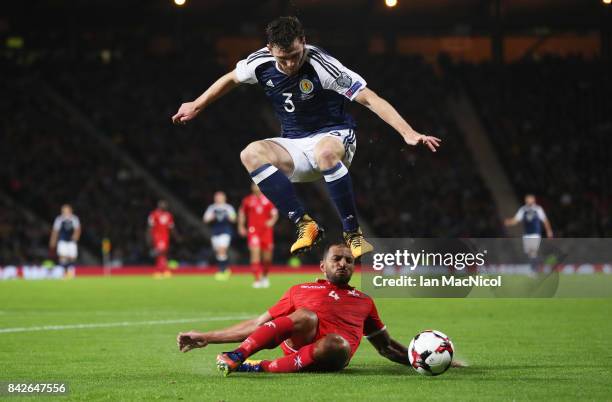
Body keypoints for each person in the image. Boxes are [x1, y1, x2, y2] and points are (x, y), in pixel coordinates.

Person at [172, 16, 440, 259]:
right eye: (282, 58)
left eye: (294, 55)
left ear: (303, 41)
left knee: (324, 151)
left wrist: (408, 132)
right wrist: (198, 104)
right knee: (249, 153)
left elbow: (369, 98)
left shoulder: (323, 65)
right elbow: (231, 78)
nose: (289, 64)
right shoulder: (259, 62)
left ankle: (353, 233)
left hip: (335, 136)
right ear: (269, 49)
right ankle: (305, 224)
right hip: (295, 145)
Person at [177, 243, 414, 375]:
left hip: (333, 355)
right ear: (323, 266)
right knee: (305, 316)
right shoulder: (300, 289)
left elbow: (386, 347)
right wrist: (207, 337)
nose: (343, 263)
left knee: (337, 343)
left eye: (349, 261)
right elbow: (259, 324)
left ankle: (259, 367)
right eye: (336, 259)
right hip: (297, 346)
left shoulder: (364, 300)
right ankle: (238, 356)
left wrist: (419, 359)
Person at [238, 183, 278, 288]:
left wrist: (271, 221)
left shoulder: (268, 199)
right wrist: (241, 226)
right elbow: (242, 213)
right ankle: (257, 279)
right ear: (252, 187)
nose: (256, 187)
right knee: (255, 254)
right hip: (253, 231)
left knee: (267, 258)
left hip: (266, 231)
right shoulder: (248, 200)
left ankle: (264, 276)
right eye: (254, 185)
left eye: (258, 185)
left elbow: (274, 214)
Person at [505, 194, 553, 268]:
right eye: (528, 199)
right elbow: (516, 220)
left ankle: (535, 269)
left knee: (533, 251)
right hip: (527, 234)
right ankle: (539, 265)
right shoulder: (523, 209)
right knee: (530, 253)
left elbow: (545, 220)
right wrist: (509, 222)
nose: (529, 201)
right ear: (526, 200)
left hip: (535, 233)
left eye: (531, 199)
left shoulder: (538, 209)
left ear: (534, 200)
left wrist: (549, 231)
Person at [203, 191, 237, 281]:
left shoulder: (228, 207)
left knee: (222, 250)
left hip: (226, 231)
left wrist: (230, 217)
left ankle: (221, 271)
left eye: (220, 197)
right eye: (217, 197)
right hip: (215, 232)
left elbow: (234, 218)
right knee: (219, 252)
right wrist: (211, 217)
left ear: (224, 198)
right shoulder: (212, 208)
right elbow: (205, 219)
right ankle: (226, 269)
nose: (218, 198)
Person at [147, 200, 175, 277]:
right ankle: (162, 271)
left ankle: (161, 271)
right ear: (159, 205)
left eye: (165, 205)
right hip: (157, 236)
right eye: (163, 205)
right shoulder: (154, 214)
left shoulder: (169, 215)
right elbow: (150, 227)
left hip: (166, 237)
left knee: (163, 254)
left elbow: (171, 227)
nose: (165, 206)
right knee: (160, 253)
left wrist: (176, 237)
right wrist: (149, 237)